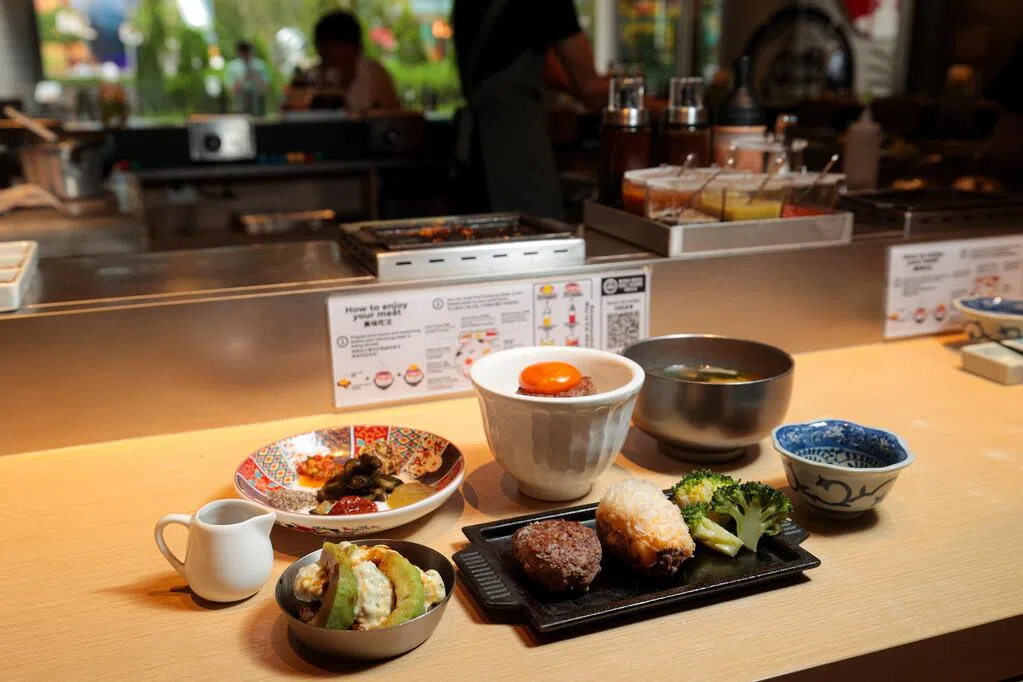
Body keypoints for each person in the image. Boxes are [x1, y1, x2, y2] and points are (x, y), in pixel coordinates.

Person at [452, 0, 609, 220]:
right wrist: (651, 104)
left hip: (473, 147)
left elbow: (539, 66)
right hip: (515, 140)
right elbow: (590, 88)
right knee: (535, 229)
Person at [284, 11, 401, 113]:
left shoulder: (374, 76)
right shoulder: (309, 77)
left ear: (354, 49)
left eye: (332, 49)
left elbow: (393, 119)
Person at [224, 41, 271, 116]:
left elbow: (267, 87)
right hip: (240, 104)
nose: (245, 53)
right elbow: (231, 91)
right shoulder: (232, 67)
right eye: (243, 50)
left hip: (258, 104)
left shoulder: (260, 65)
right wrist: (244, 78)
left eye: (247, 50)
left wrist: (256, 77)